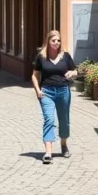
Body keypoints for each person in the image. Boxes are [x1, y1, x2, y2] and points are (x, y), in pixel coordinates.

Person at [30, 30, 78, 164]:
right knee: (49, 119)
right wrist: (38, 91)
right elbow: (34, 75)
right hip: (47, 92)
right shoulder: (41, 57)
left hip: (63, 91)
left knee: (64, 120)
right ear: (48, 41)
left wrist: (72, 73)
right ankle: (48, 152)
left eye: (58, 40)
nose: (56, 43)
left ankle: (63, 144)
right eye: (53, 40)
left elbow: (75, 70)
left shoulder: (65, 56)